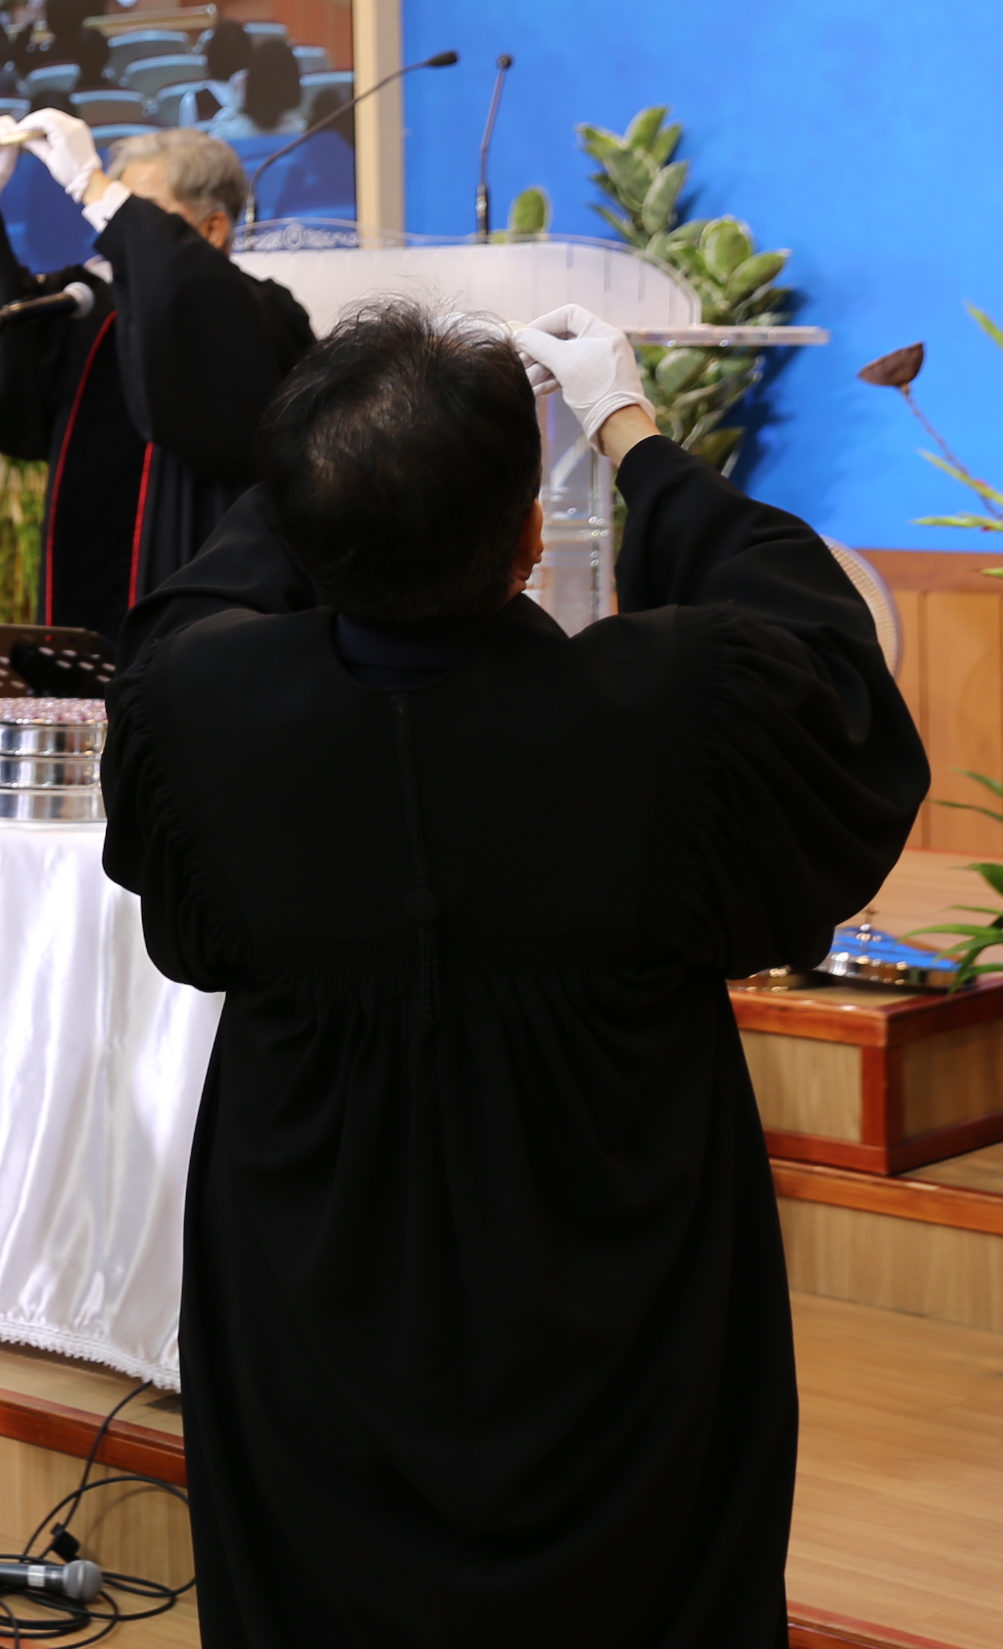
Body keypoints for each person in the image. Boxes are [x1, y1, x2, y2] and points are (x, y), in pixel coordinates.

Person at [104, 303, 924, 1646]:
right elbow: (831, 659)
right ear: (535, 534)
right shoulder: (678, 709)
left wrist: (336, 462)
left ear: (303, 532)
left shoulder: (201, 712)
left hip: (312, 1264)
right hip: (620, 1271)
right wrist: (631, 431)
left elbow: (183, 629)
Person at [0, 123, 313, 635]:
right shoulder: (86, 310)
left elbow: (187, 290)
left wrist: (94, 185)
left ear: (213, 228)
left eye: (135, 209)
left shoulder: (262, 314)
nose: (113, 224)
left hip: (207, 613)